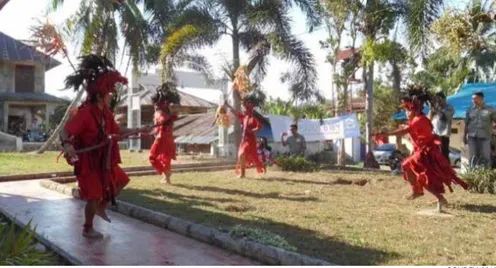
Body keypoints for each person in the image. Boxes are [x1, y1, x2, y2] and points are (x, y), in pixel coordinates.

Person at [60, 54, 130, 239]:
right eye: (109, 93)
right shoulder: (85, 114)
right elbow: (65, 132)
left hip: (104, 160)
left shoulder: (105, 112)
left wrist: (139, 128)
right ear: (99, 95)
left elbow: (117, 130)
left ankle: (101, 208)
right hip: (88, 162)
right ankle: (87, 228)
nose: (111, 96)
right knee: (93, 195)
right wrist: (67, 145)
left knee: (122, 180)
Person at [382, 85, 468, 205]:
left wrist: (386, 133)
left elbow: (405, 131)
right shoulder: (417, 119)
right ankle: (420, 191)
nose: (406, 113)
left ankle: (436, 197)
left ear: (413, 108)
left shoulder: (419, 120)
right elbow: (409, 130)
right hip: (422, 151)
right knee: (409, 167)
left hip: (426, 152)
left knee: (422, 175)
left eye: (408, 109)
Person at [148, 82, 180, 184]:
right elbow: (165, 121)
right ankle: (167, 179)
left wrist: (165, 121)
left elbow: (162, 120)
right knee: (165, 158)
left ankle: (165, 172)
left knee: (152, 157)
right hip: (169, 138)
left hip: (162, 138)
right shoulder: (167, 113)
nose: (154, 106)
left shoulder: (160, 113)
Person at [225, 97, 264, 178]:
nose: (243, 110)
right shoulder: (244, 117)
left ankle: (261, 167)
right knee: (241, 155)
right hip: (243, 140)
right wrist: (228, 105)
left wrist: (252, 130)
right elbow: (236, 112)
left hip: (250, 140)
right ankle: (243, 174)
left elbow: (260, 126)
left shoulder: (253, 118)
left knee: (254, 157)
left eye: (244, 109)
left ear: (248, 110)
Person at [463, 91, 496, 168]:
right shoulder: (469, 110)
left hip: (485, 137)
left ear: (481, 99)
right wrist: (464, 136)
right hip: (472, 137)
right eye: (472, 99)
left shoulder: (490, 109)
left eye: (475, 99)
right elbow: (467, 124)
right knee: (473, 157)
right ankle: (472, 175)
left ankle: (485, 175)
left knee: (485, 157)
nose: (473, 101)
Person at [429, 92, 455, 162]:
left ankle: (447, 171)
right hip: (434, 133)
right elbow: (429, 119)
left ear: (444, 99)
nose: (438, 101)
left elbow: (443, 117)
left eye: (439, 99)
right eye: (436, 99)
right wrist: (432, 109)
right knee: (434, 154)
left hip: (443, 135)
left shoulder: (449, 107)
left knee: (444, 154)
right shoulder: (434, 107)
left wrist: (437, 108)